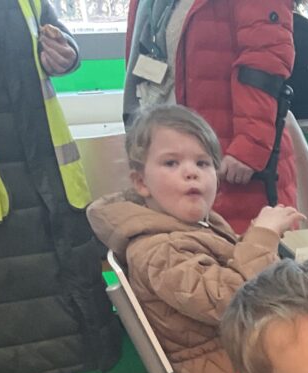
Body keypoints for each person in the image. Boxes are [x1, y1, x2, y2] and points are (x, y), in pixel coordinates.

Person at [0, 0, 120, 373]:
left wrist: (65, 54)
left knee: (64, 281)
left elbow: (58, 42)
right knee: (0, 294)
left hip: (45, 167)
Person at [88, 105, 303, 373]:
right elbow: (233, 300)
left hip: (253, 368)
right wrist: (262, 236)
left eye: (202, 163)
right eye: (171, 163)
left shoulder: (192, 227)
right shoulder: (158, 250)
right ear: (141, 182)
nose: (191, 172)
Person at [122, 0, 297, 233]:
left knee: (251, 247)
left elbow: (265, 60)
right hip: (172, 152)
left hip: (231, 156)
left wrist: (250, 144)